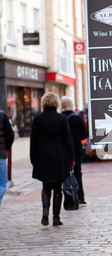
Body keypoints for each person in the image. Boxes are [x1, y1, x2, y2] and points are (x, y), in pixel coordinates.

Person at [30, 92, 74, 226]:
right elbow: (68, 140)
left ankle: (45, 210)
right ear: (56, 103)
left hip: (43, 155)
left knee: (46, 186)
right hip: (59, 156)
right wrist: (71, 159)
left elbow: (33, 141)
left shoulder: (37, 119)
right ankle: (56, 217)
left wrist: (33, 159)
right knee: (57, 187)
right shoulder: (62, 119)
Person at [61, 96, 88, 204]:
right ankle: (80, 197)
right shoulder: (77, 118)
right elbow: (84, 134)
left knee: (65, 174)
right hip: (76, 149)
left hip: (64, 150)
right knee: (77, 172)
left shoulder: (60, 118)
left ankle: (68, 197)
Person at [0, 110, 14, 206]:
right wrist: (6, 148)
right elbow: (10, 135)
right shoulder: (2, 116)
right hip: (1, 156)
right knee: (2, 184)